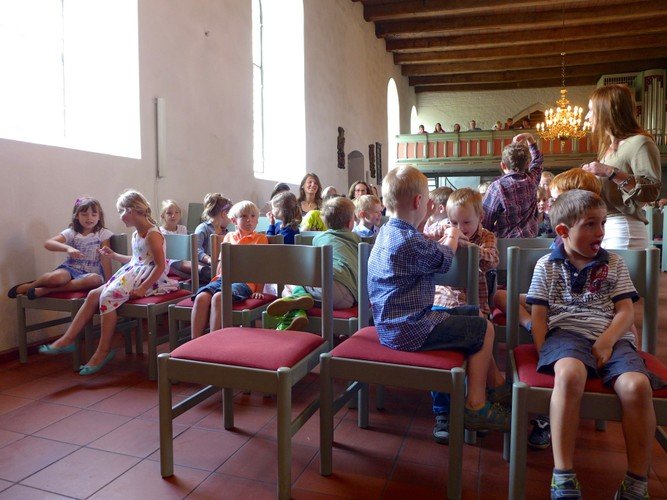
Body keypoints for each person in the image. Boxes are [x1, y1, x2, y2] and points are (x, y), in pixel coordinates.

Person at [527, 189, 659, 500]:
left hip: (613, 337)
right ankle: (563, 474)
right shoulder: (547, 265)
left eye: (602, 223)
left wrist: (607, 341)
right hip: (566, 336)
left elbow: (626, 312)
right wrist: (545, 350)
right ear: (563, 231)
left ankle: (636, 481)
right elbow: (539, 315)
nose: (600, 231)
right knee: (569, 374)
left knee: (637, 386)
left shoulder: (613, 263)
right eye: (590, 224)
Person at [368, 165, 510, 445]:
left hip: (390, 326)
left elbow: (423, 244)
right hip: (411, 329)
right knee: (483, 328)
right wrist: (453, 236)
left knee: (472, 313)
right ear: (419, 202)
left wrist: (443, 232)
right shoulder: (409, 240)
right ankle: (476, 404)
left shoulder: (386, 232)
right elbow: (444, 259)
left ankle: (496, 387)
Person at [38, 190, 179, 375]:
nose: (120, 216)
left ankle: (103, 351)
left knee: (107, 296)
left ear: (130, 210)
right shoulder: (137, 233)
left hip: (149, 279)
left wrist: (143, 288)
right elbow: (137, 260)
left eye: (121, 211)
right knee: (93, 294)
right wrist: (114, 256)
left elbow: (160, 265)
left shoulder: (153, 234)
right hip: (135, 273)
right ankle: (67, 339)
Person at [581, 84, 661, 250]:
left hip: (624, 227)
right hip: (605, 225)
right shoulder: (607, 148)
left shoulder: (640, 142)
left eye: (591, 110)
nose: (587, 117)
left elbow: (652, 191)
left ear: (607, 111)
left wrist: (609, 171)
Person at [266, 197, 360, 331]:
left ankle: (298, 306)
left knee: (288, 285)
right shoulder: (357, 240)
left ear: (325, 222)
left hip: (324, 288)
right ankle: (298, 306)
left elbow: (312, 268)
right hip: (348, 297)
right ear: (350, 223)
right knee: (298, 288)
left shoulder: (319, 239)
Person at [8, 197, 112, 300]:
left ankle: (46, 290)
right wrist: (68, 248)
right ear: (77, 216)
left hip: (91, 273)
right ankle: (31, 286)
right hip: (70, 268)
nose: (89, 218)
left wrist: (108, 283)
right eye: (84, 214)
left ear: (99, 216)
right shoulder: (72, 232)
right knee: (56, 278)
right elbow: (49, 243)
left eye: (94, 215)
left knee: (95, 280)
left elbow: (106, 258)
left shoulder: (103, 234)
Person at [190, 201, 267, 339]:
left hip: (245, 282)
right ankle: (195, 343)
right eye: (243, 216)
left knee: (219, 297)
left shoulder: (260, 238)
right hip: (223, 279)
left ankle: (214, 342)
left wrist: (259, 290)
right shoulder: (229, 237)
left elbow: (262, 267)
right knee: (201, 297)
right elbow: (221, 263)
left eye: (253, 216)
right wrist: (216, 280)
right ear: (234, 220)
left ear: (257, 220)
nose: (249, 220)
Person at [435, 188, 499, 318]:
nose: (460, 228)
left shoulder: (486, 236)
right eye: (454, 222)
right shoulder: (445, 229)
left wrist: (470, 247)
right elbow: (424, 238)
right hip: (443, 298)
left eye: (466, 222)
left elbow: (493, 261)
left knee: (481, 323)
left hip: (473, 300)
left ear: (480, 218)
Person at [482, 132, 543, 238]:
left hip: (505, 243)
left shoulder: (497, 187)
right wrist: (530, 138)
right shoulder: (532, 179)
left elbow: (486, 220)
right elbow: (537, 160)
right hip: (531, 240)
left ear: (503, 165)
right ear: (527, 164)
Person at [191, 193, 232, 285]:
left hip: (220, 266)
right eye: (230, 215)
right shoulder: (203, 228)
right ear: (224, 213)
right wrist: (209, 259)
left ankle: (220, 277)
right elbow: (196, 249)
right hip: (205, 265)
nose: (231, 220)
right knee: (177, 264)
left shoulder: (227, 232)